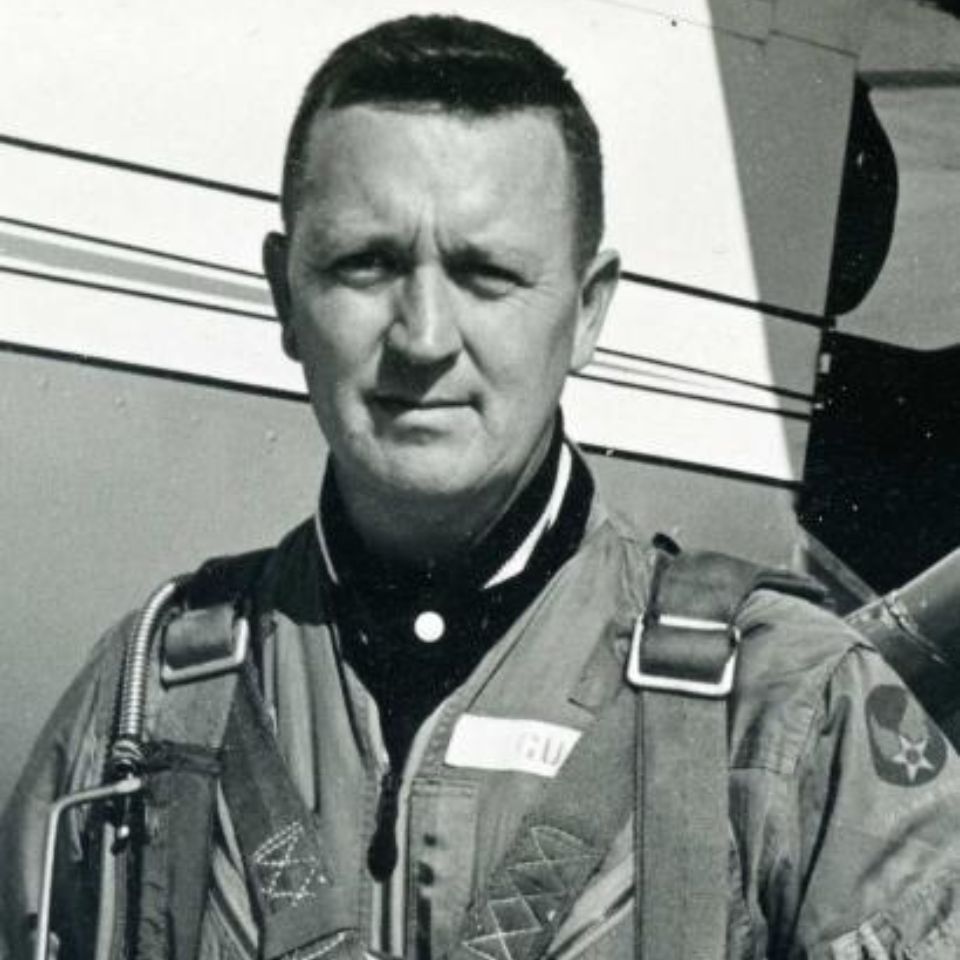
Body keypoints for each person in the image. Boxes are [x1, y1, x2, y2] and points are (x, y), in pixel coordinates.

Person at [4, 14, 960, 960]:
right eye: (365, 265)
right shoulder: (152, 701)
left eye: (486, 274)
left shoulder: (784, 711)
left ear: (587, 313)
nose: (422, 337)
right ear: (285, 295)